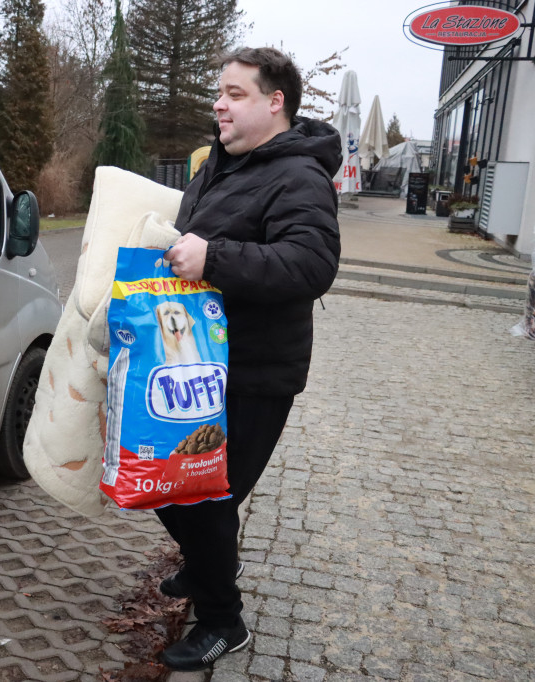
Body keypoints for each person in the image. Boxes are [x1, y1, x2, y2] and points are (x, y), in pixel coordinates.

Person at [157, 46, 341, 671]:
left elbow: (311, 265)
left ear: (274, 102)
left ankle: (222, 620)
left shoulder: (300, 176)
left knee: (203, 496)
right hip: (193, 363)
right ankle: (215, 560)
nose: (219, 103)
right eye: (220, 92)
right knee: (174, 487)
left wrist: (213, 260)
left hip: (255, 373)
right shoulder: (217, 165)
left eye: (235, 93)